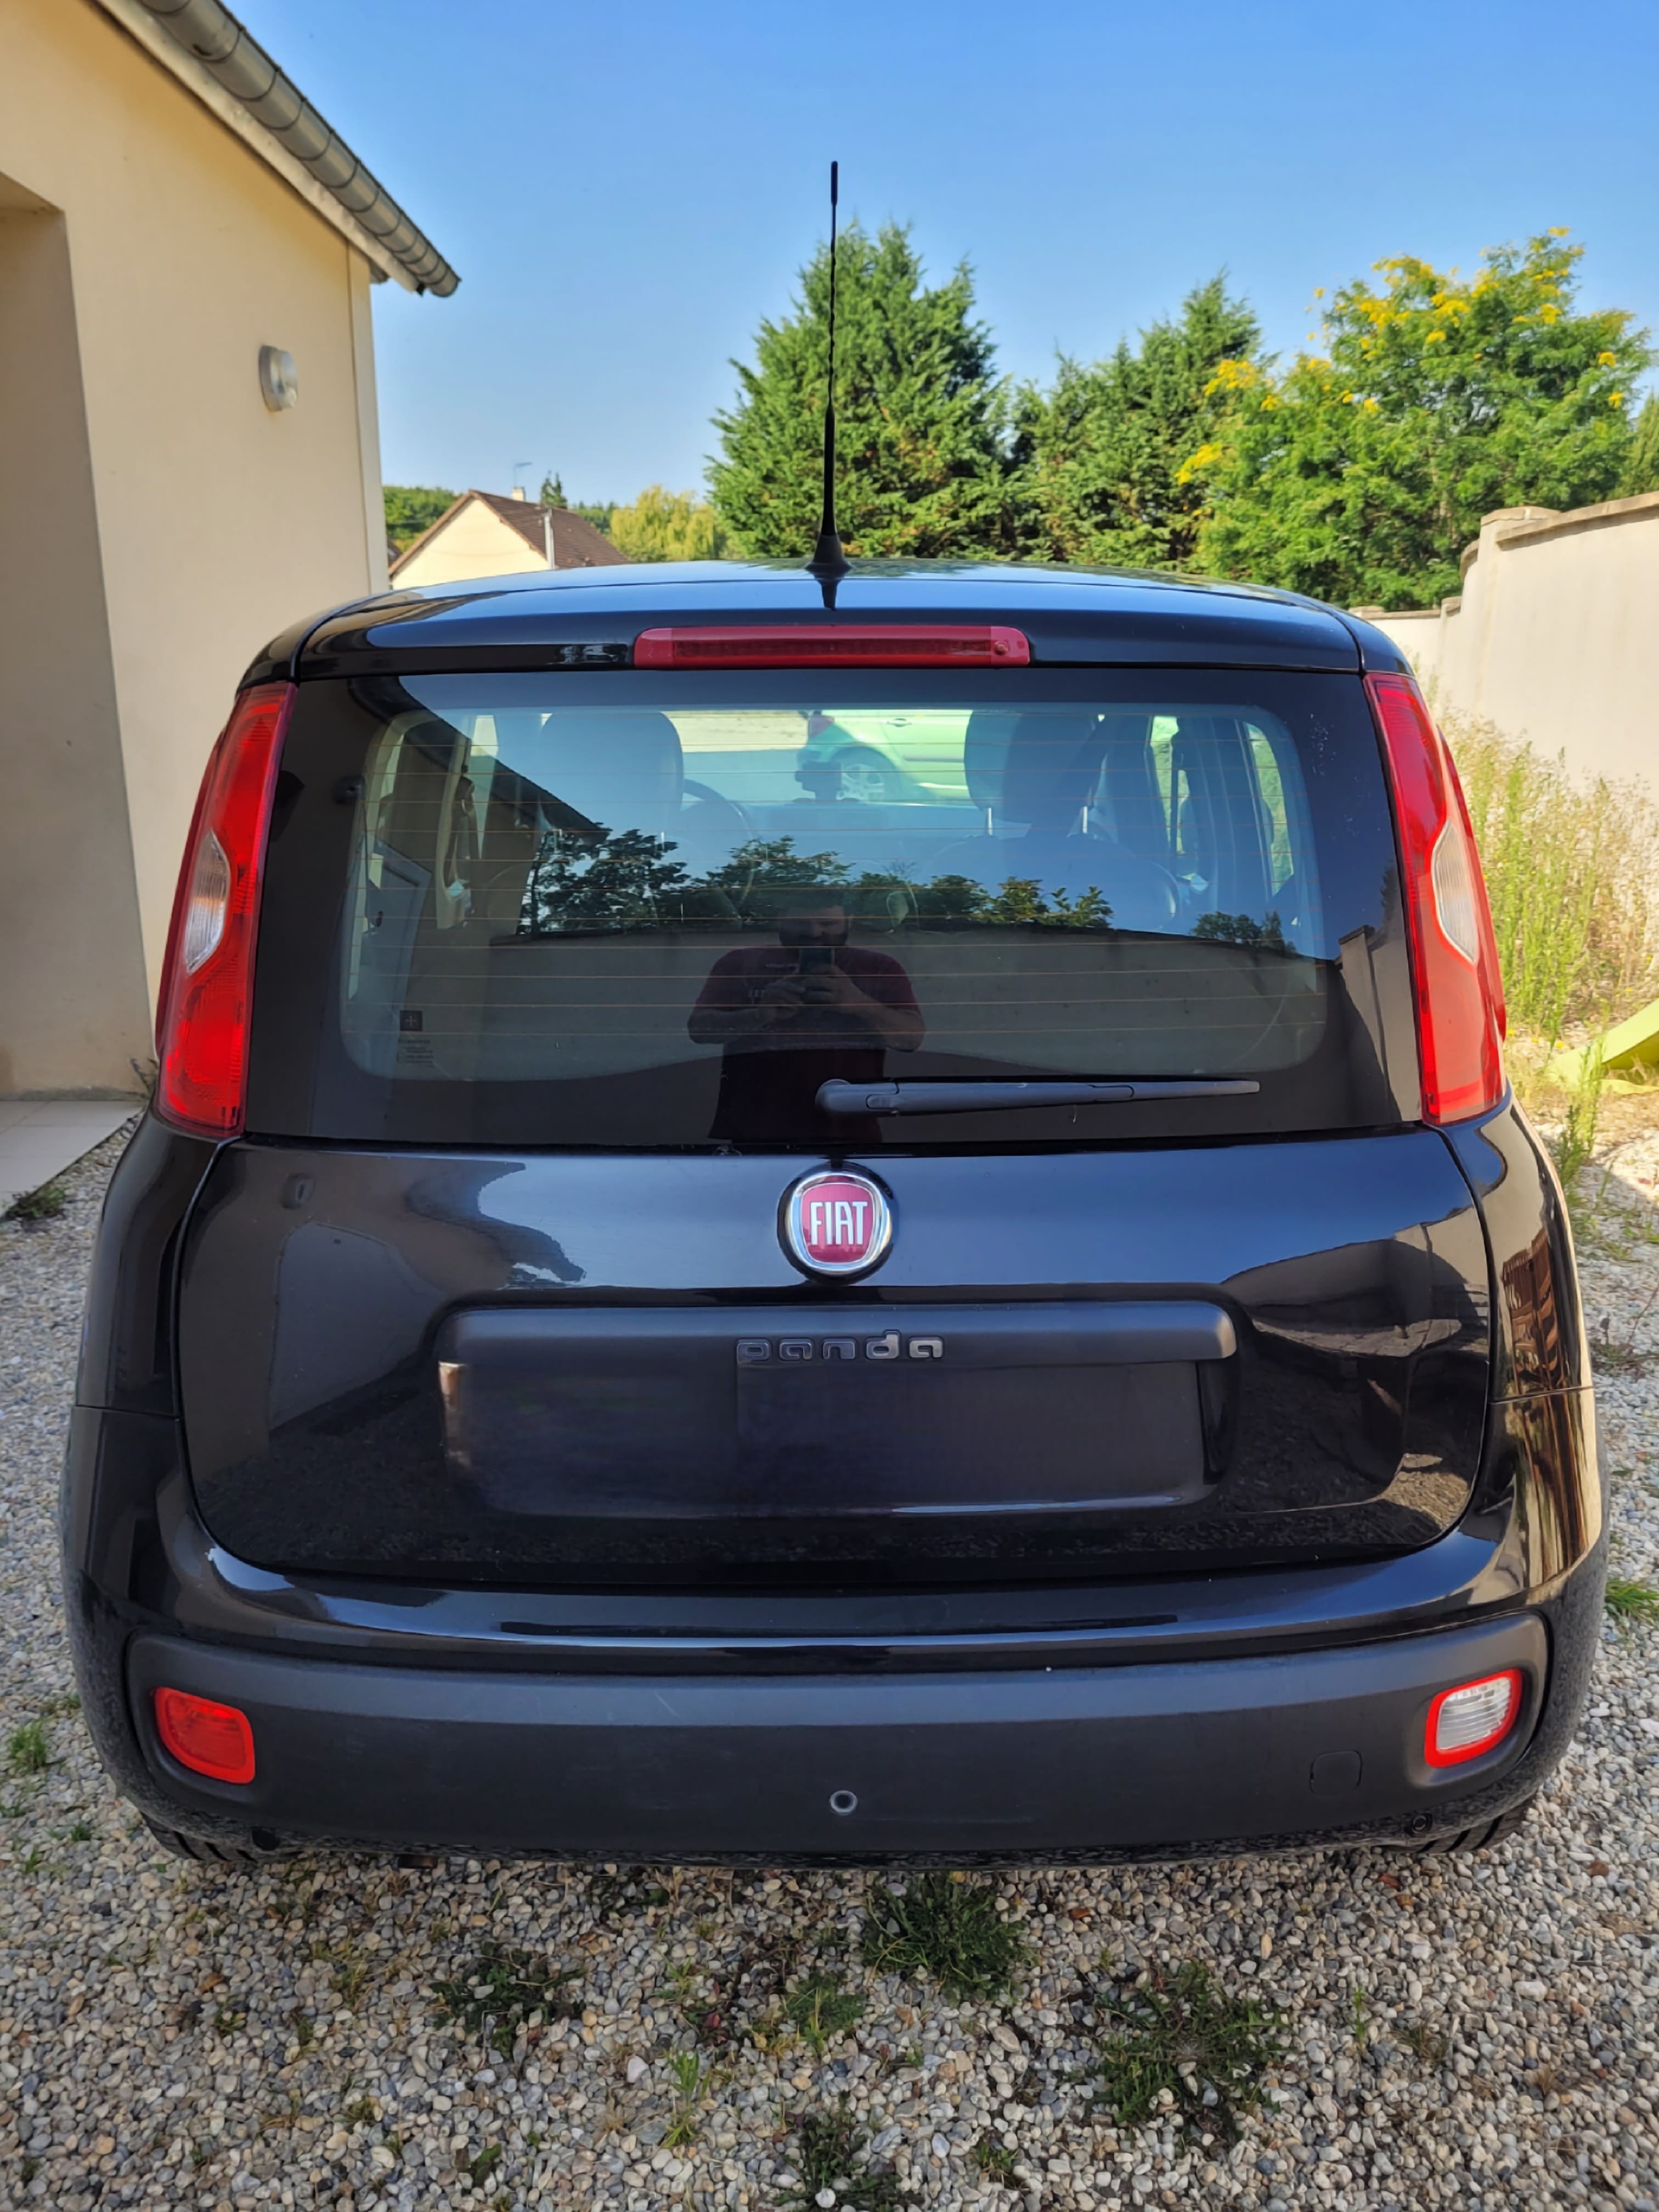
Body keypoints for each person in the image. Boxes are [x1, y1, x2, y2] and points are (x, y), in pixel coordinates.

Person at [688, 885, 923, 1143]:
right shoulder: (739, 964)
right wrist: (760, 1015)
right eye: (800, 922)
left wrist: (859, 1004)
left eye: (827, 923)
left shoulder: (878, 967)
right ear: (780, 921)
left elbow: (911, 1038)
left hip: (848, 1123)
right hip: (756, 1126)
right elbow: (700, 1030)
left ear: (848, 922)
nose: (813, 932)